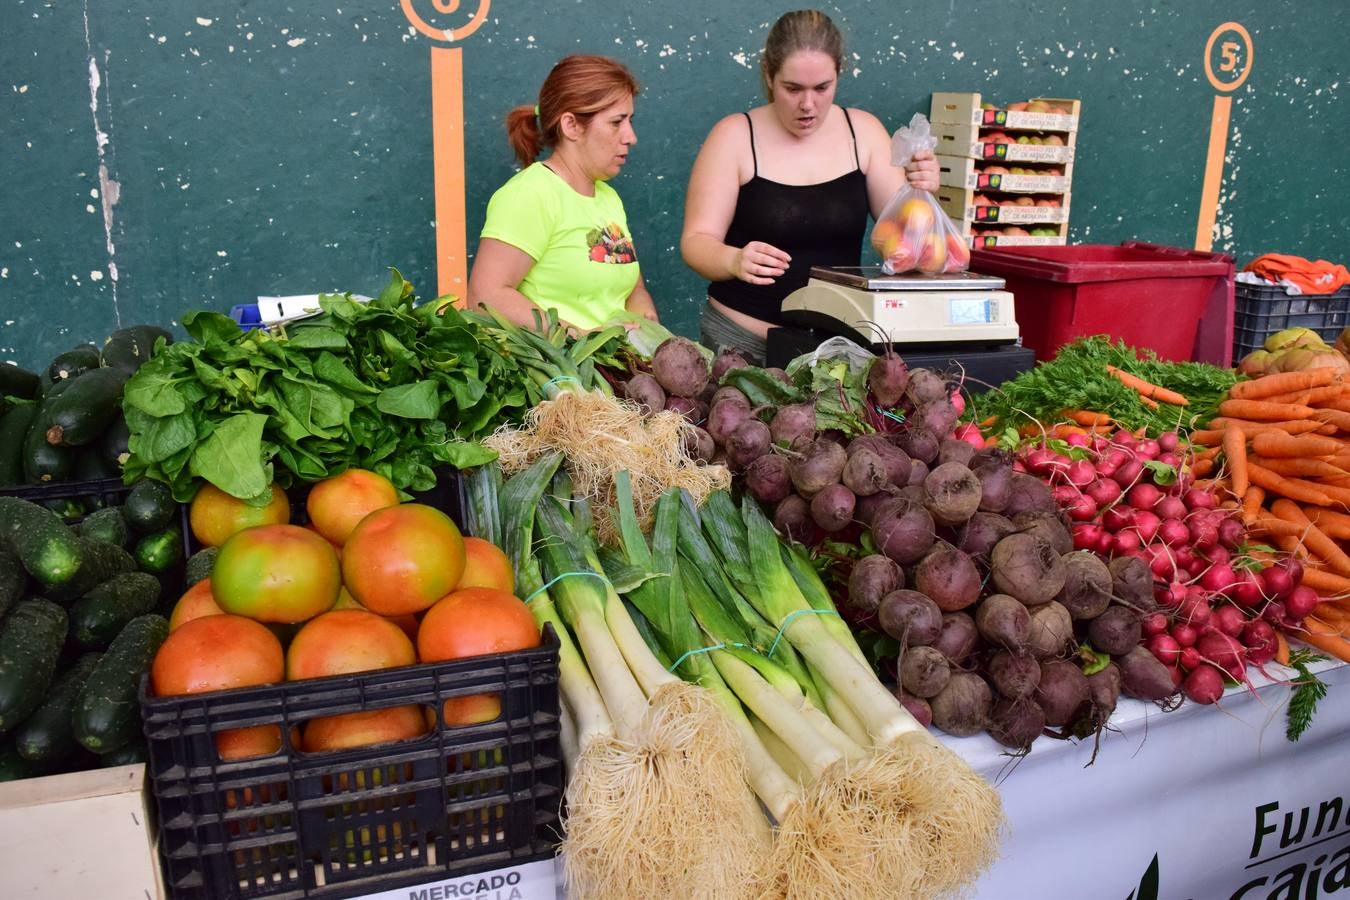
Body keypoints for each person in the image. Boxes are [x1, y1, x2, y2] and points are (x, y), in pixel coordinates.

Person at [680, 9, 940, 363]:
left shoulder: (863, 133)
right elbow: (696, 242)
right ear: (769, 75)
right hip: (740, 345)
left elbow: (907, 247)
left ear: (838, 75)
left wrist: (922, 193)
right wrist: (733, 258)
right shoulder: (734, 136)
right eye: (792, 88)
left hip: (836, 351)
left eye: (822, 88)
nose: (808, 104)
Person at [468, 55, 659, 331]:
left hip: (614, 370)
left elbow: (632, 287)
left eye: (630, 120)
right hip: (558, 373)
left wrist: (643, 312)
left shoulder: (608, 198)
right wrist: (581, 338)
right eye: (617, 122)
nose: (631, 136)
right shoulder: (531, 194)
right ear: (571, 126)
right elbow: (485, 298)